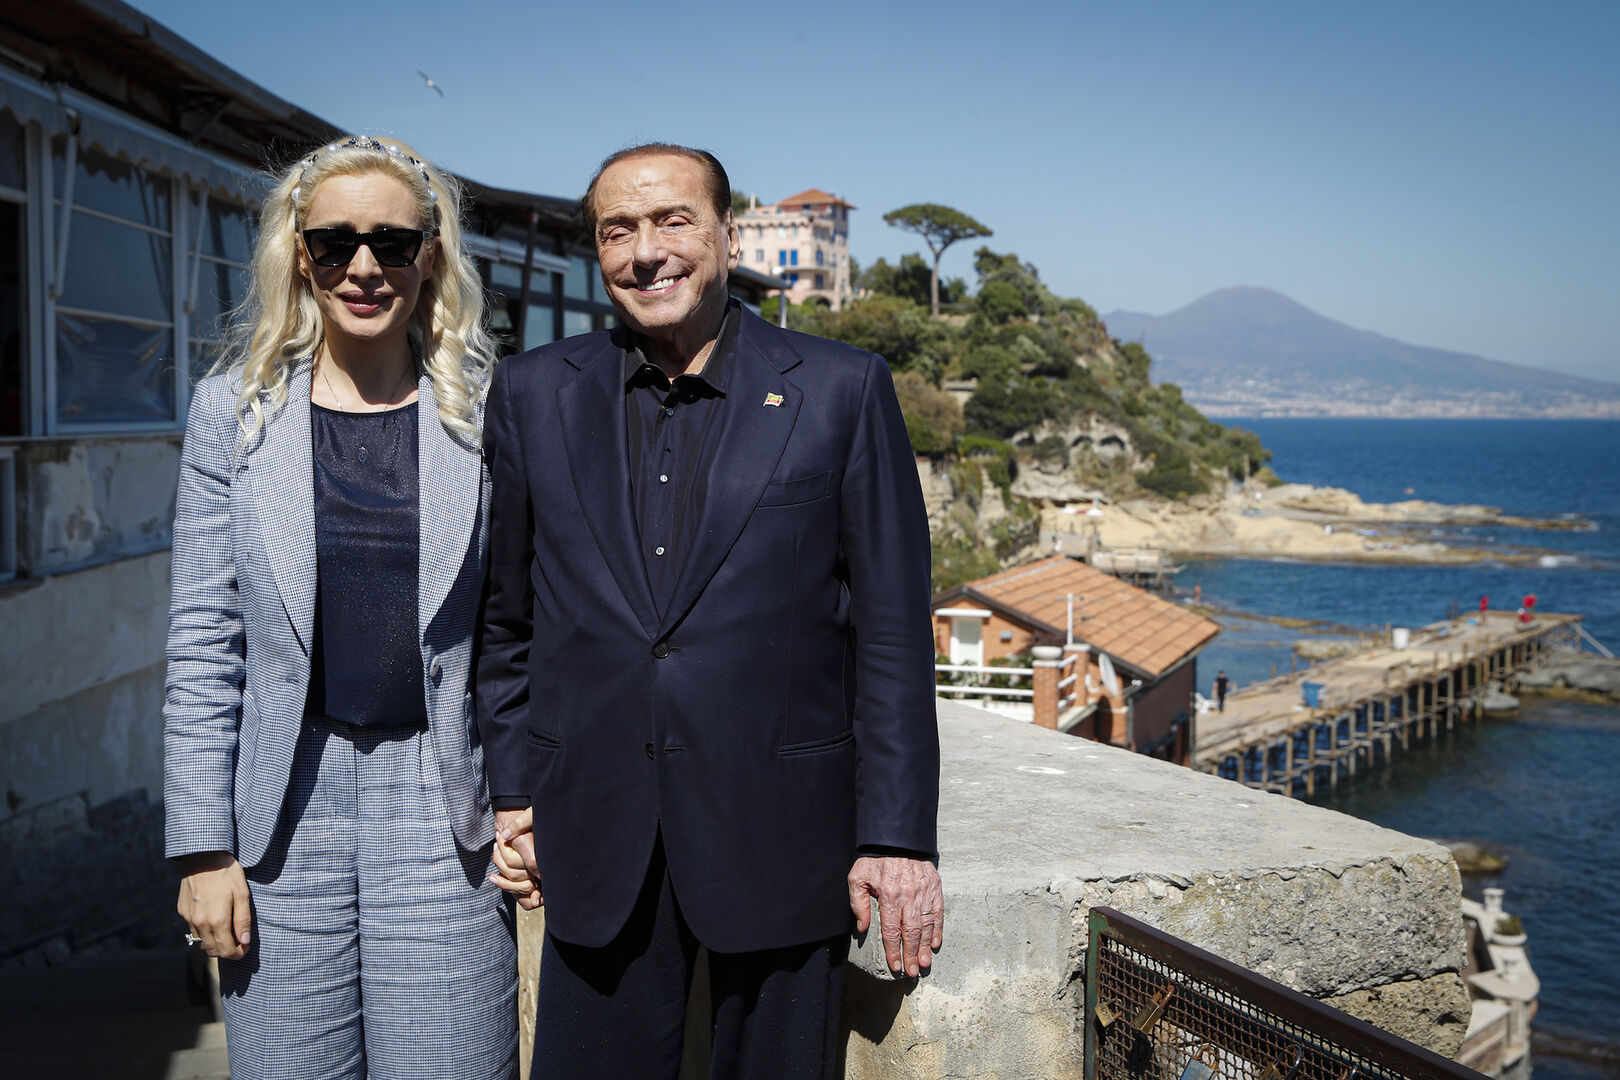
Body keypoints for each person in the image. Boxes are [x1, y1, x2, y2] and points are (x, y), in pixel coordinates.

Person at [478, 143, 942, 1079]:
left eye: (672, 220)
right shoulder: (531, 393)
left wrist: (896, 837)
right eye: (619, 230)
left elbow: (891, 631)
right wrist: (517, 789)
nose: (647, 252)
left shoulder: (843, 389)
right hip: (595, 835)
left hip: (784, 837)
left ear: (729, 234)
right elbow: (506, 621)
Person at [163, 136, 516, 1080]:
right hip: (283, 810)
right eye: (335, 244)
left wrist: (529, 801)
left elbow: (528, 631)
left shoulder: (489, 414)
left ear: (430, 256)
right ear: (300, 253)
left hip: (444, 805)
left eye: (393, 243)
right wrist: (201, 847)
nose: (364, 268)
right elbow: (205, 643)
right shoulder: (228, 415)